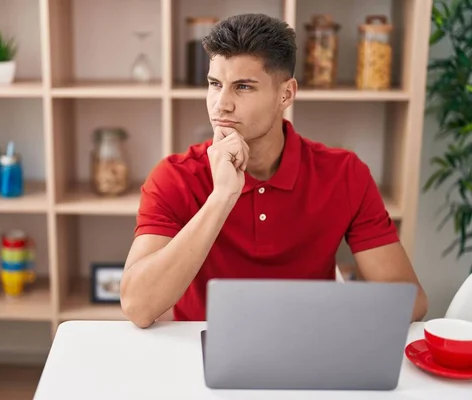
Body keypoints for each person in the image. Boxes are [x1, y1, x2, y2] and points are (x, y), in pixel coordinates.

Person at [120, 13, 428, 328]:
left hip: (308, 352)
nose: (221, 104)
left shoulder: (345, 173)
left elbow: (411, 301)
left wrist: (335, 318)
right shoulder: (175, 176)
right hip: (200, 356)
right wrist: (222, 197)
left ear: (286, 94)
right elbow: (137, 306)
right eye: (215, 84)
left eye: (242, 87)